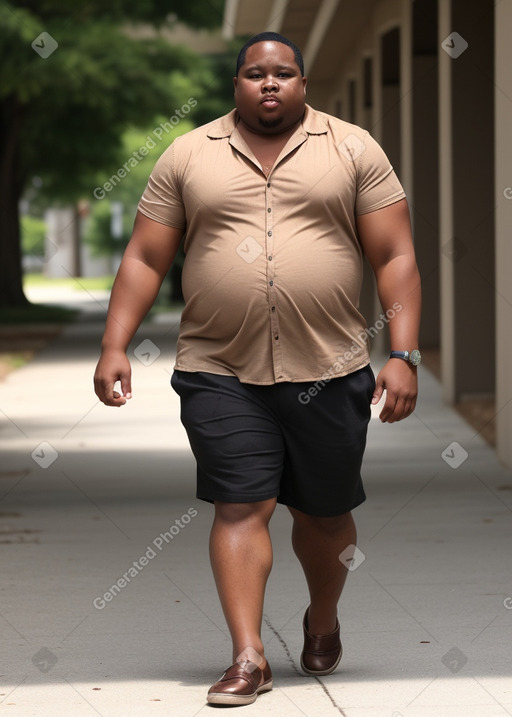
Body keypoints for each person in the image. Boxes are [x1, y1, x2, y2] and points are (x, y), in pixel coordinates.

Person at [94, 31, 421, 707]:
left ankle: (322, 616)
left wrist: (402, 353)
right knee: (240, 504)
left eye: (283, 73)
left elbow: (394, 256)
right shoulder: (187, 154)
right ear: (236, 84)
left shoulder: (354, 148)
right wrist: (114, 343)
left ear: (303, 83)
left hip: (329, 369)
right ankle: (248, 655)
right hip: (219, 366)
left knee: (325, 515)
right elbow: (146, 257)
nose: (269, 83)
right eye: (254, 73)